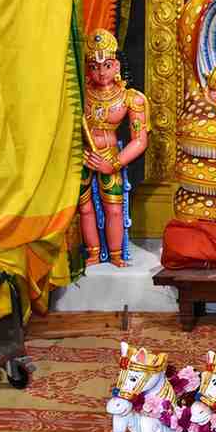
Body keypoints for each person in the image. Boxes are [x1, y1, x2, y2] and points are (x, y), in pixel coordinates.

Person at [79, 29, 150, 266]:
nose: (101, 72)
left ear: (118, 66)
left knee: (115, 209)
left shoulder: (131, 98)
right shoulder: (80, 95)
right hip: (84, 156)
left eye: (107, 65)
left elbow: (140, 140)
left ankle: (116, 254)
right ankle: (92, 252)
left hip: (111, 156)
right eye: (94, 66)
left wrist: (114, 163)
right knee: (84, 207)